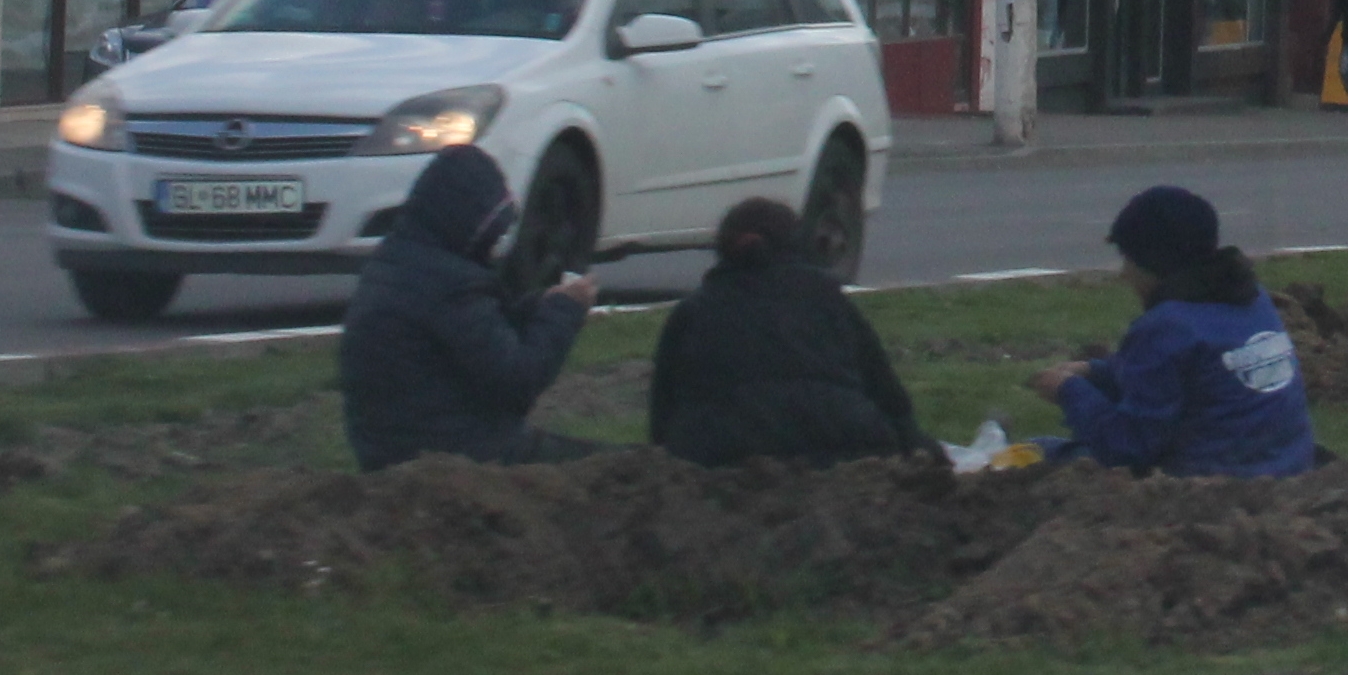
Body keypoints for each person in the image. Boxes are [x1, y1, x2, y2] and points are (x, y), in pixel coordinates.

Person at [338, 146, 597, 472]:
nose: (496, 240)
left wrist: (536, 306)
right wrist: (565, 310)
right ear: (468, 221)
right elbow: (518, 381)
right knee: (620, 469)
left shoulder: (398, 264)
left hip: (390, 451)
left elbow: (473, 339)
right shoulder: (450, 286)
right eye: (494, 229)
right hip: (457, 457)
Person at [1031, 184, 1317, 478]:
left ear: (1151, 262)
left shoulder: (1168, 326)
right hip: (1291, 466)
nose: (1124, 273)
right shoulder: (1252, 298)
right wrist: (1094, 372)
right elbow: (1186, 378)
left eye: (1127, 259)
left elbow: (1126, 446)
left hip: (1217, 487)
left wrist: (1067, 390)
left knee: (1040, 453)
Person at [647, 195, 920, 468]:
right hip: (842, 442)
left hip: (723, 454)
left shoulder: (694, 311)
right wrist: (914, 445)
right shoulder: (826, 299)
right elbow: (886, 392)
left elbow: (662, 413)